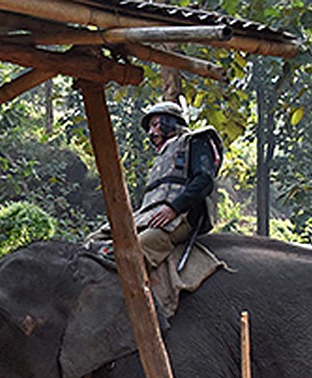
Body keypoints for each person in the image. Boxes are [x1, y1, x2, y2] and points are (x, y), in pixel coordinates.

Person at [89, 100, 223, 270]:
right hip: (148, 215)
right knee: (93, 240)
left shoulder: (195, 141)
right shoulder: (161, 159)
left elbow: (204, 180)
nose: (151, 133)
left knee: (134, 252)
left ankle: (137, 293)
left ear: (171, 122)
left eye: (155, 125)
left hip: (181, 215)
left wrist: (174, 208)